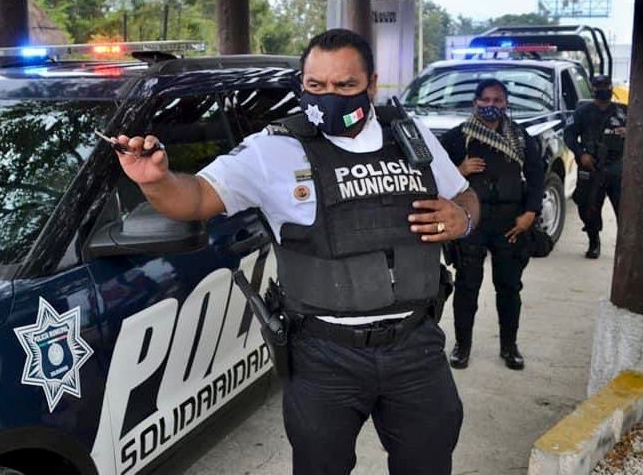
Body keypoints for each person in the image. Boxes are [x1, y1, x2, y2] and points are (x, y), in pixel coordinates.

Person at [110, 29, 480, 475]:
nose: (330, 97)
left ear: (372, 84)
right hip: (324, 355)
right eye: (316, 86)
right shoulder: (273, 149)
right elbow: (194, 199)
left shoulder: (408, 135)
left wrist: (463, 218)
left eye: (345, 86)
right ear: (302, 83)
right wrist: (156, 181)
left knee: (428, 464)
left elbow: (465, 196)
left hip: (415, 345)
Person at [438, 79, 543, 371]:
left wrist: (531, 212)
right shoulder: (458, 138)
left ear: (506, 103)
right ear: (475, 103)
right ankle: (462, 346)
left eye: (497, 101)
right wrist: (461, 169)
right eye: (485, 100)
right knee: (467, 286)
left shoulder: (521, 138)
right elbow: (436, 176)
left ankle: (509, 347)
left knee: (509, 287)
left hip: (511, 224)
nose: (491, 106)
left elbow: (537, 176)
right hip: (472, 222)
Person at [564, 74, 627, 259]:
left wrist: (628, 131)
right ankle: (594, 242)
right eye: (599, 86)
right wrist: (580, 154)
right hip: (591, 166)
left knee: (624, 210)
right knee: (588, 207)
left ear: (611, 87)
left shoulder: (624, 111)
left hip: (618, 167)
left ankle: (625, 248)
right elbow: (569, 135)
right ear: (593, 89)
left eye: (606, 85)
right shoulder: (583, 112)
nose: (603, 89)